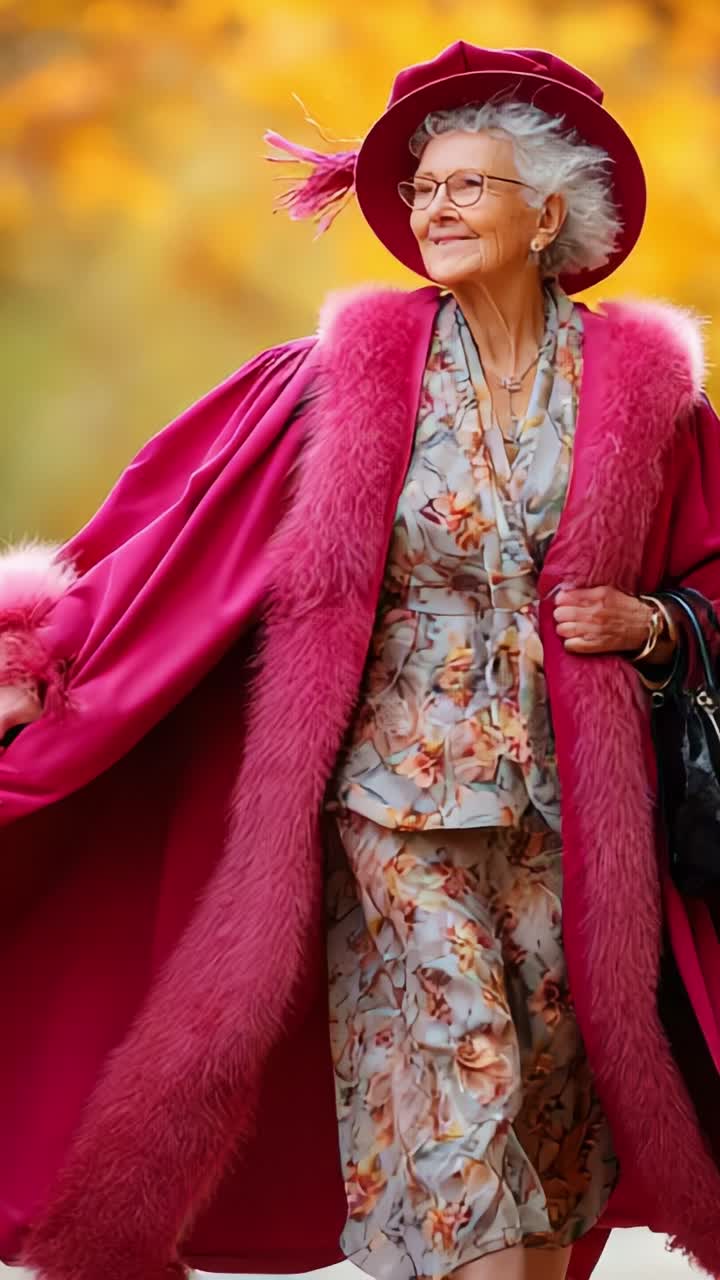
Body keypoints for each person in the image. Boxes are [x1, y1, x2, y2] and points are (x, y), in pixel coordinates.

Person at [0, 40, 719, 1280]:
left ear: (546, 213)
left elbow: (711, 570)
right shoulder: (343, 378)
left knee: (552, 1112)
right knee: (464, 1079)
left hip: (575, 822)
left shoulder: (645, 395)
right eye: (423, 188)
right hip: (392, 807)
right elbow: (177, 534)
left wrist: (652, 626)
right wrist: (44, 655)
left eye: (466, 186)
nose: (433, 209)